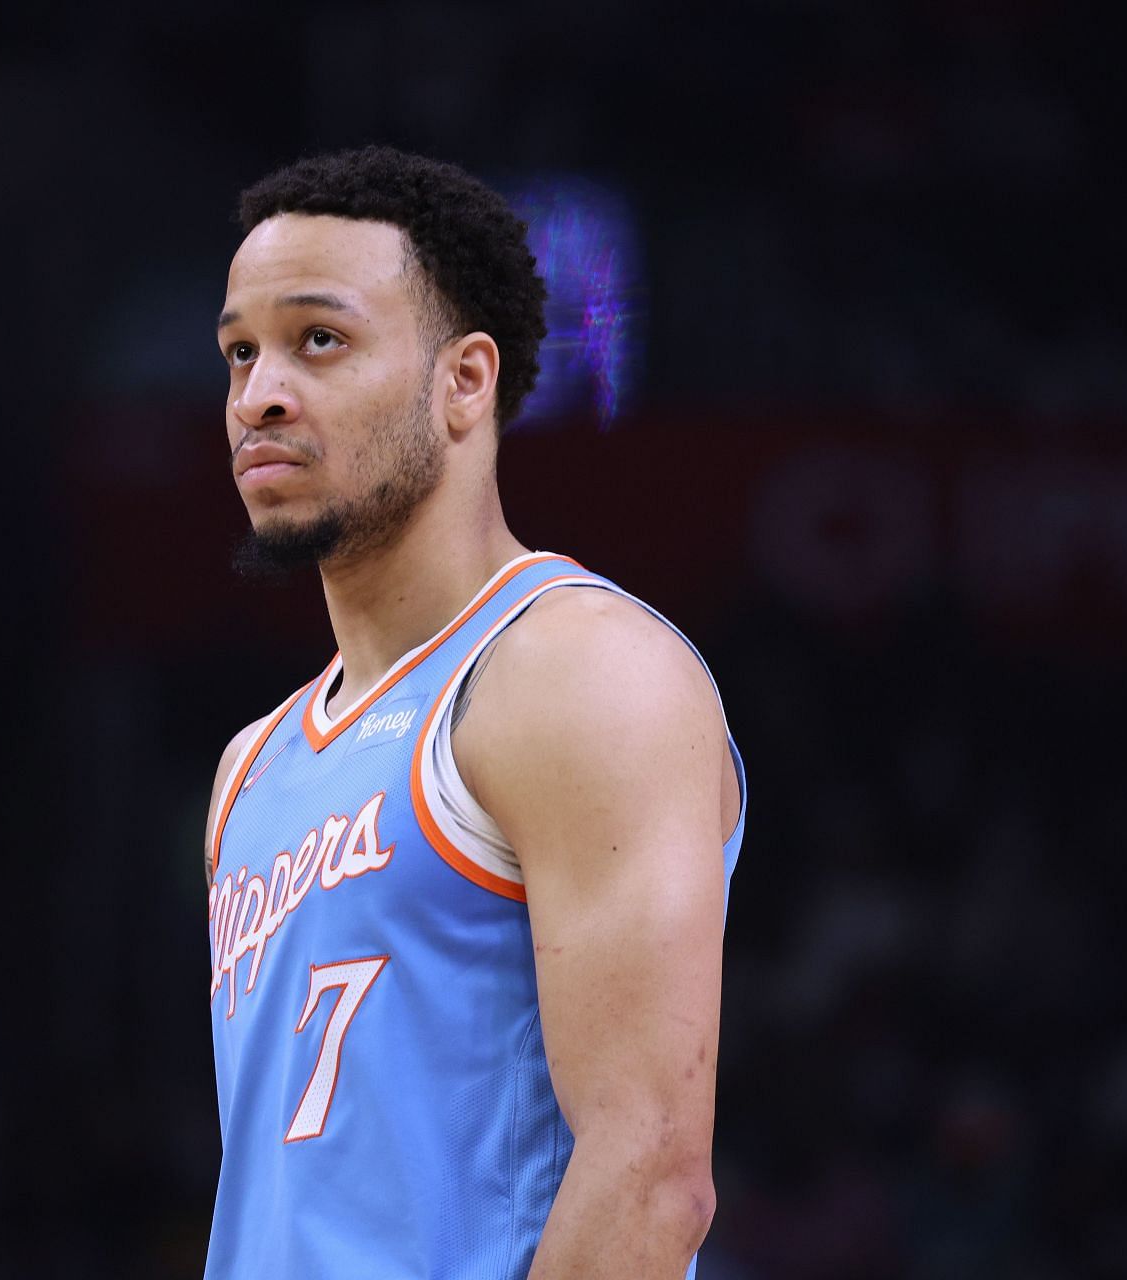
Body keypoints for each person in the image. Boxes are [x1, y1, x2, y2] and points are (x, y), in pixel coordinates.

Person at [203, 145, 745, 1279]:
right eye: (240, 351)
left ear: (466, 380)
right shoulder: (249, 767)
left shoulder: (574, 670)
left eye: (319, 339)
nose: (260, 393)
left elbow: (648, 1172)